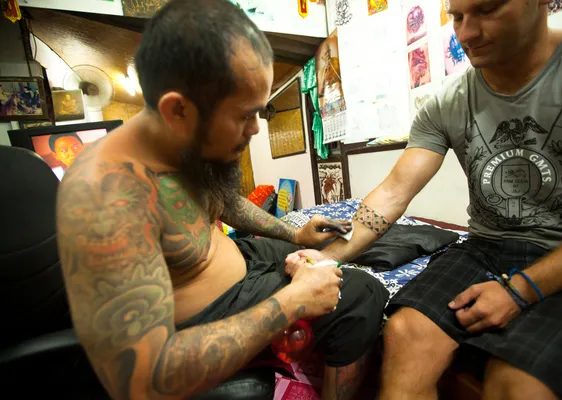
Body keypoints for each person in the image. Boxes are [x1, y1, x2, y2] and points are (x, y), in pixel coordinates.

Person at [55, 1, 389, 399]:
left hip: (233, 259)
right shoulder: (106, 197)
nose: (255, 129)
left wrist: (295, 235)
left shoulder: (183, 148)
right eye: (245, 115)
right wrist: (293, 302)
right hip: (203, 312)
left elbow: (226, 202)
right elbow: (141, 379)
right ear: (178, 109)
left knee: (328, 248)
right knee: (359, 292)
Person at [286, 1, 562, 399]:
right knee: (403, 333)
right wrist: (328, 258)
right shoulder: (447, 101)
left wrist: (521, 290)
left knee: (518, 384)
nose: (466, 34)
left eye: (486, 10)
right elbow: (394, 191)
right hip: (485, 248)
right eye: (457, 17)